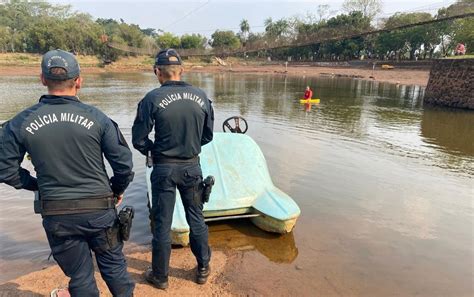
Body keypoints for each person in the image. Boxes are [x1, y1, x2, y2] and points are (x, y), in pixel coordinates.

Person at [0, 49, 135, 297]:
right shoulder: (98, 119)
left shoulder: (20, 122)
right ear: (79, 81)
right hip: (99, 211)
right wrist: (117, 190)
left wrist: (36, 184)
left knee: (81, 276)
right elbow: (124, 166)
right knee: (114, 269)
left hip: (57, 214)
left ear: (42, 79)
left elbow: (5, 169)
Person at [132, 48, 214, 289]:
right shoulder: (201, 97)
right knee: (196, 219)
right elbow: (207, 136)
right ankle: (202, 269)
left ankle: (160, 276)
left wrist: (156, 150)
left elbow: (139, 139)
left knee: (162, 223)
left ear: (157, 72)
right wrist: (187, 146)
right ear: (182, 70)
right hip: (191, 167)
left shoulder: (151, 99)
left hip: (163, 169)